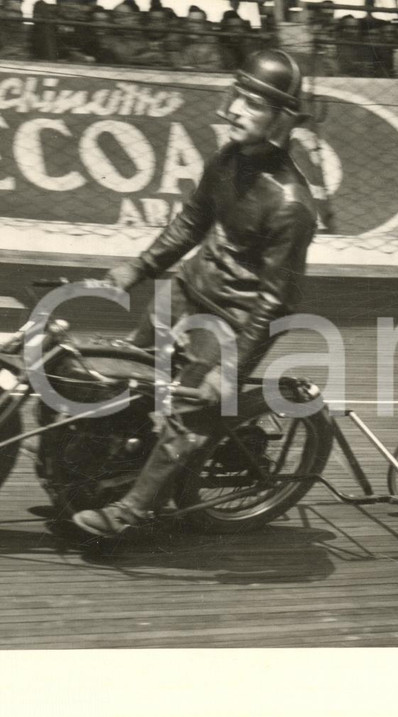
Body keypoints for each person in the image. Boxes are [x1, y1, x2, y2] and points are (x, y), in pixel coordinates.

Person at [72, 49, 317, 537]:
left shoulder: (292, 205)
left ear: (283, 119)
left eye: (256, 105)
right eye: (238, 98)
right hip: (184, 293)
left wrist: (230, 370)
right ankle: (102, 474)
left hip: (231, 323)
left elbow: (276, 301)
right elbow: (190, 222)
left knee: (188, 417)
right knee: (125, 379)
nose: (238, 111)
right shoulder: (226, 158)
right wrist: (137, 269)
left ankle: (131, 513)